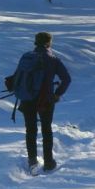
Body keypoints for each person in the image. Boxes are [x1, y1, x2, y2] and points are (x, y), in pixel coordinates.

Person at [13, 32, 71, 172]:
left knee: (30, 129)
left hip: (27, 98)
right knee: (46, 130)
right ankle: (48, 162)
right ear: (48, 43)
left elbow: (17, 77)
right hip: (46, 99)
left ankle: (32, 161)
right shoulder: (53, 59)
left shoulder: (26, 57)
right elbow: (67, 79)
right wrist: (57, 94)